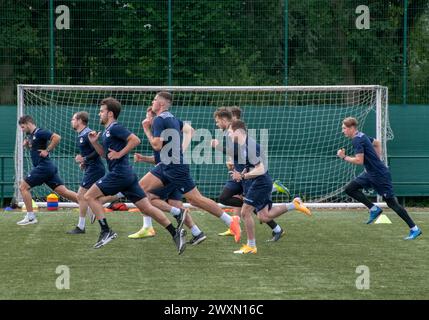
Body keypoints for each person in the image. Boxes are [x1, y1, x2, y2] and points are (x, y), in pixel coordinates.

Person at [83, 97, 187, 253]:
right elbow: (105, 155)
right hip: (126, 176)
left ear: (110, 113)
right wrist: (94, 143)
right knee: (147, 207)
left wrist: (120, 154)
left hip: (120, 174)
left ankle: (106, 231)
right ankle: (175, 232)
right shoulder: (106, 132)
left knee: (89, 197)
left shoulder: (115, 128)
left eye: (102, 111)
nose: (99, 114)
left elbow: (135, 140)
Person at [140, 92, 241, 245]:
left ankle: (227, 221)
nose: (152, 102)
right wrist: (182, 149)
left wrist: (146, 129)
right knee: (144, 193)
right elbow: (191, 131)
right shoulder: (172, 118)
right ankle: (199, 228)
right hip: (169, 165)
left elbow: (156, 145)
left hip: (172, 167)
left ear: (160, 104)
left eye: (154, 100)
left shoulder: (159, 120)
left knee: (194, 200)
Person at [228, 120, 311, 254]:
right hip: (259, 182)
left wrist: (243, 176)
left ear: (238, 132)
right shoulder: (244, 145)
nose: (229, 135)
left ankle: (251, 246)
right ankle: (293, 205)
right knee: (264, 217)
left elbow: (260, 169)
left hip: (260, 183)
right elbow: (251, 166)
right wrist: (241, 173)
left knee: (245, 212)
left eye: (230, 132)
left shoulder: (250, 146)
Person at [129, 107, 207, 246]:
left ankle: (149, 227)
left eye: (148, 117)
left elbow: (159, 150)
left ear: (154, 117)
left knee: (143, 195)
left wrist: (146, 130)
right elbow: (158, 158)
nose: (146, 120)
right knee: (176, 203)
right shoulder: (165, 129)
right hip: (170, 169)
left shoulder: (159, 129)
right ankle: (197, 232)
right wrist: (143, 158)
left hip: (168, 171)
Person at [211, 107, 290, 242]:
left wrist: (220, 148)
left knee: (250, 208)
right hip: (243, 174)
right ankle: (274, 229)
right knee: (246, 206)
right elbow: (237, 155)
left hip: (248, 176)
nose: (217, 124)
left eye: (218, 121)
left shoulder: (239, 136)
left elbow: (247, 158)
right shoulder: (234, 135)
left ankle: (251, 241)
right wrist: (233, 165)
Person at [337, 117, 422, 240]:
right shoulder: (362, 136)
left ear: (351, 128)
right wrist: (376, 159)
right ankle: (374, 208)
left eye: (344, 128)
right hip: (370, 173)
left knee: (392, 203)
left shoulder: (356, 140)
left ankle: (415, 229)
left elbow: (359, 161)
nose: (343, 131)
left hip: (380, 175)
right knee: (350, 189)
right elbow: (377, 143)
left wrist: (343, 157)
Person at [17, 115, 79, 225]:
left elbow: (57, 137)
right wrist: (27, 145)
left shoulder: (40, 132)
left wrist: (47, 150)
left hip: (43, 167)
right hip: (46, 168)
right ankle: (88, 204)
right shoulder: (31, 135)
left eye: (22, 127)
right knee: (63, 192)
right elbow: (35, 148)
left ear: (27, 123)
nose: (22, 130)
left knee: (23, 187)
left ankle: (31, 217)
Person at [68, 111, 118, 234]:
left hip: (95, 169)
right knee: (93, 196)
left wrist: (84, 159)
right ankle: (119, 194)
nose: (71, 121)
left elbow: (98, 151)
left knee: (81, 195)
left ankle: (81, 227)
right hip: (92, 168)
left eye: (73, 119)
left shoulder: (88, 134)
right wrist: (84, 163)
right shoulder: (81, 135)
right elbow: (91, 153)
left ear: (80, 121)